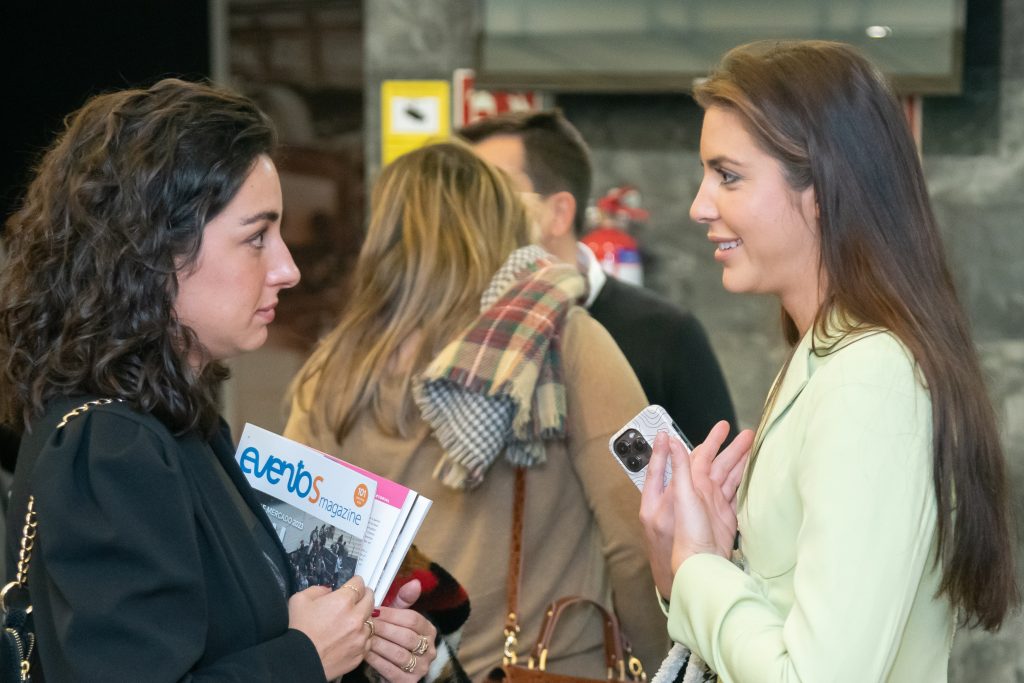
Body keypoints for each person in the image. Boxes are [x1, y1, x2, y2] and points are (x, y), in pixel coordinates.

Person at [0, 78, 437, 682]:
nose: (288, 268)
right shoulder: (110, 446)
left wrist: (359, 650)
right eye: (256, 237)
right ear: (154, 251)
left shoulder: (179, 426)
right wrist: (305, 656)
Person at [639, 40, 1019, 682]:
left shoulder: (872, 375)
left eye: (728, 175)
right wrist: (686, 564)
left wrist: (698, 568)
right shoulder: (826, 354)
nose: (700, 206)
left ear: (822, 186)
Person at [284, 140, 670, 679]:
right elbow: (638, 533)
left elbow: (301, 547)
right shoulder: (560, 341)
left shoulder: (332, 372)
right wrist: (668, 665)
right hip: (548, 669)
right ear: (502, 229)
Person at [459, 110, 737, 442]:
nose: (465, 216)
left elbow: (721, 484)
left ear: (558, 213)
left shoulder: (665, 336)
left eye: (492, 194)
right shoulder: (451, 329)